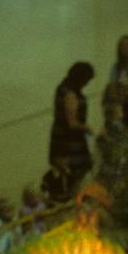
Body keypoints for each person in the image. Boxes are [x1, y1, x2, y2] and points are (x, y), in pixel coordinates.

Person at [48, 61, 96, 189]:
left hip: (59, 136)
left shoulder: (61, 88)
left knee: (67, 175)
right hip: (69, 140)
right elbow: (72, 123)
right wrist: (88, 128)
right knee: (76, 173)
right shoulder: (70, 94)